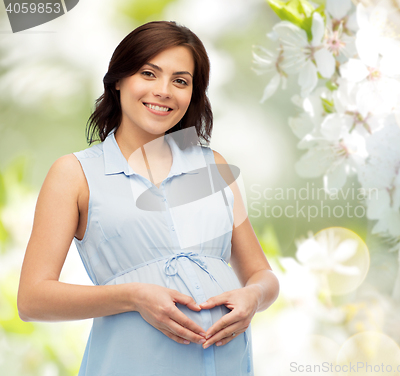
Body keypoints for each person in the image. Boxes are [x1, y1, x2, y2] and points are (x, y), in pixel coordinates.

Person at [17, 21, 279, 376]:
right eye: (149, 73)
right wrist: (132, 296)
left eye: (180, 81)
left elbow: (261, 274)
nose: (164, 91)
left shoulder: (212, 164)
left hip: (226, 363)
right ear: (118, 79)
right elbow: (33, 299)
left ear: (192, 94)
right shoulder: (74, 174)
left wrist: (253, 297)